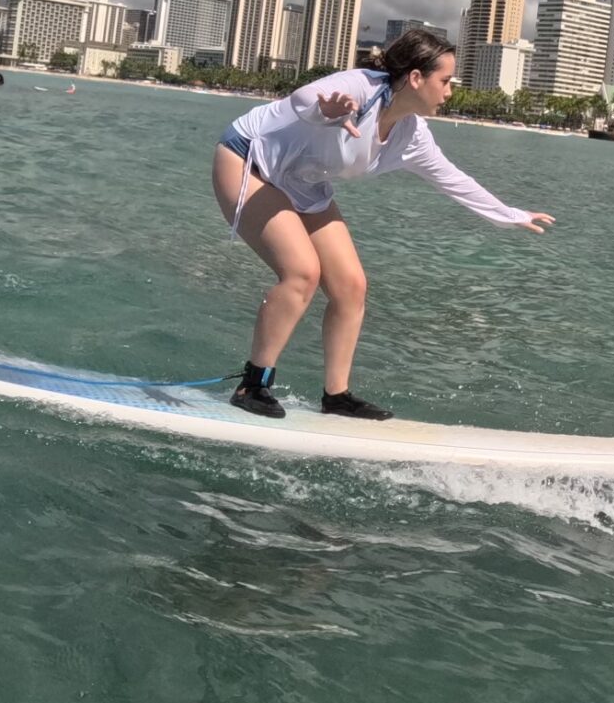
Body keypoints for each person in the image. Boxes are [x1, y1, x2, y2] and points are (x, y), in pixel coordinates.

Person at [211, 25, 553, 418]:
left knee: (351, 286)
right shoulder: (362, 87)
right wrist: (324, 111)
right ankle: (252, 385)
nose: (449, 92)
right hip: (248, 159)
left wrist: (511, 215)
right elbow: (303, 98)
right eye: (445, 81)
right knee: (302, 272)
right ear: (416, 78)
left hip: (302, 181)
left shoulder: (412, 135)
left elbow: (454, 180)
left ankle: (336, 396)